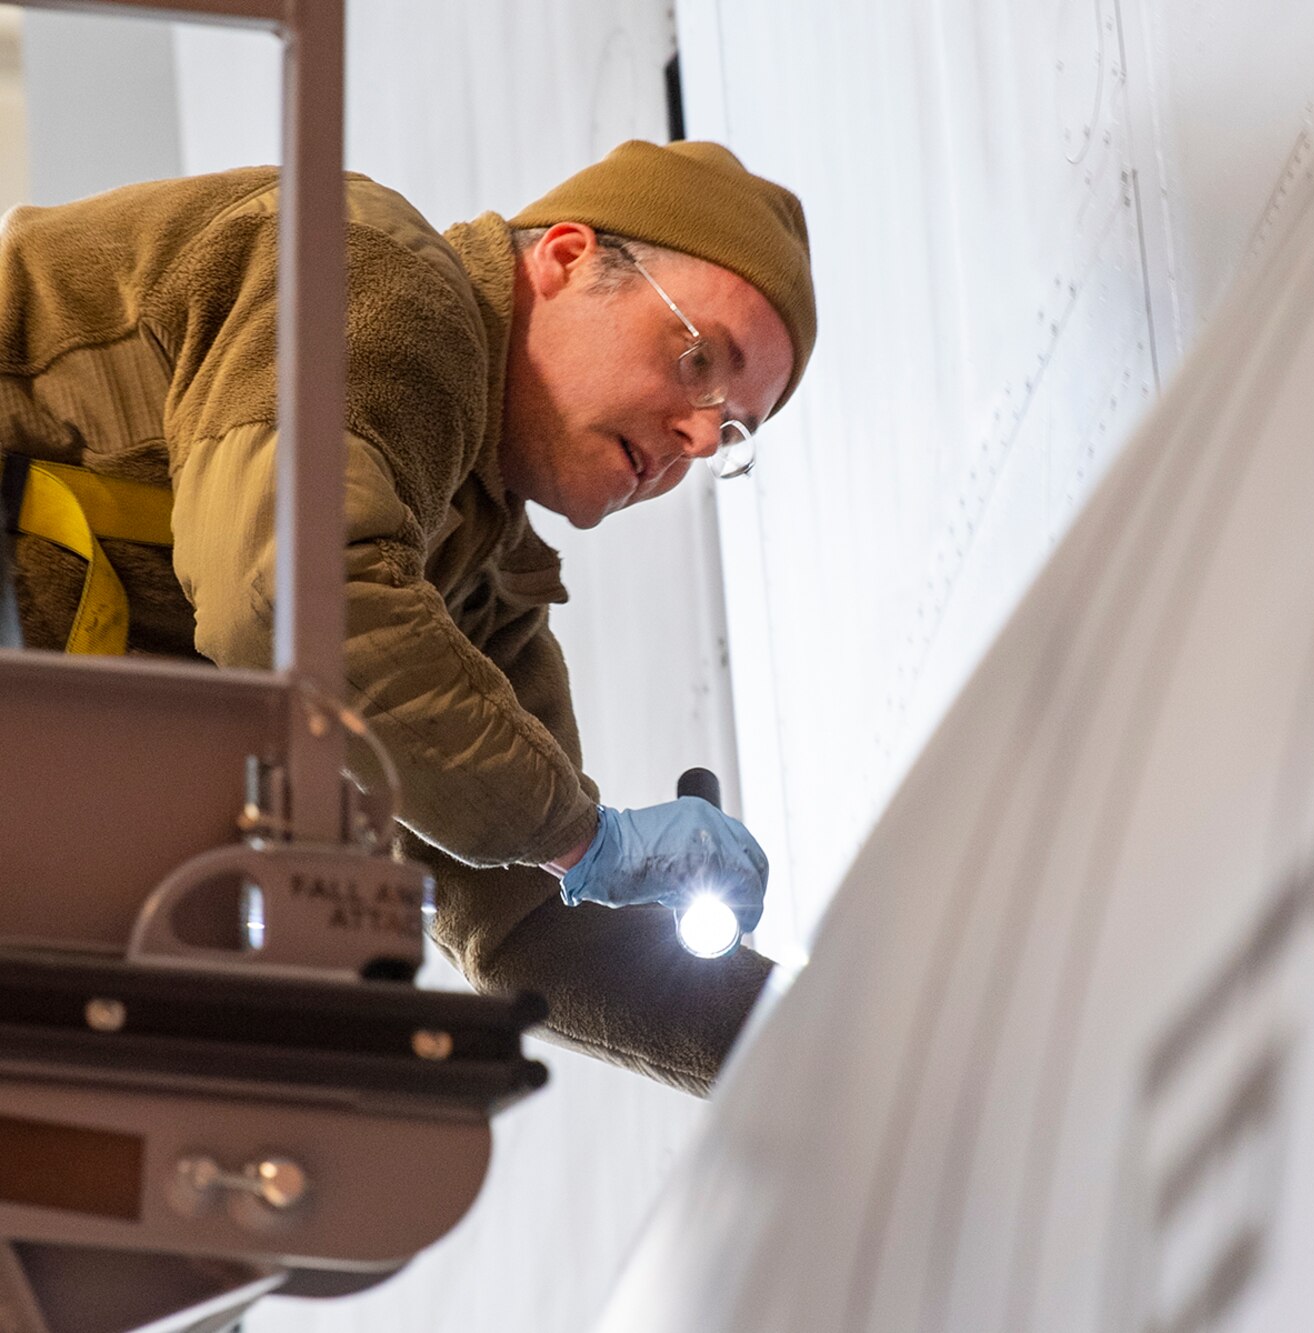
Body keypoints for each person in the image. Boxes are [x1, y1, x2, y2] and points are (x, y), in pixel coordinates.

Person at [0, 140, 815, 1093]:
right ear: (564, 259)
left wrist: (812, 1056)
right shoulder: (379, 279)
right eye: (695, 358)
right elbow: (284, 592)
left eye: (728, 434)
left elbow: (529, 923)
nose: (693, 434)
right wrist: (586, 836)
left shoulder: (477, 576)